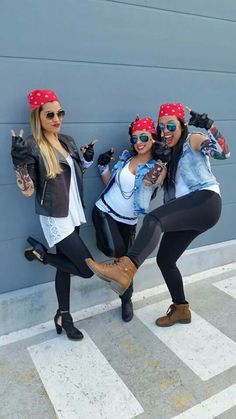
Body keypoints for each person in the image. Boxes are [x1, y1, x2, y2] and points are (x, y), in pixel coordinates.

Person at [86, 103, 230, 327]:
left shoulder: (193, 139)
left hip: (206, 201)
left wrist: (210, 126)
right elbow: (151, 184)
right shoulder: (166, 154)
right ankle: (181, 309)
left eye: (171, 125)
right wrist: (160, 163)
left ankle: (125, 268)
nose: (166, 131)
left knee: (155, 219)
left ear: (182, 125)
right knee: (165, 260)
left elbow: (224, 153)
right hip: (187, 211)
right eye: (161, 127)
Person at [11, 89, 96, 340]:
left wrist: (86, 159)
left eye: (60, 113)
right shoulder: (31, 145)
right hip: (54, 216)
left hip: (73, 210)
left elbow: (75, 171)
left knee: (67, 268)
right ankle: (42, 256)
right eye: (50, 115)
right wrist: (18, 163)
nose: (57, 119)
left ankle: (64, 315)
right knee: (88, 269)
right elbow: (27, 191)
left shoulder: (67, 139)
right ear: (38, 117)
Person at [92, 116, 167, 322]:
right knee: (116, 252)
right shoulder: (126, 158)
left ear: (153, 138)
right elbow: (111, 184)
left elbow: (155, 182)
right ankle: (112, 269)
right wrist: (103, 167)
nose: (138, 143)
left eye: (143, 137)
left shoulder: (157, 165)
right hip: (104, 211)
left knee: (126, 264)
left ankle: (126, 300)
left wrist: (159, 167)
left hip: (129, 221)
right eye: (134, 138)